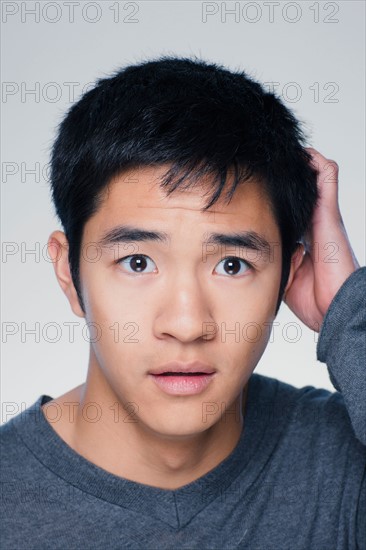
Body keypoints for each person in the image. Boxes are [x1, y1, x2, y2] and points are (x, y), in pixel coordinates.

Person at [1, 56, 365, 549]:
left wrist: (349, 317)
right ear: (69, 273)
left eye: (232, 265)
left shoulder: (343, 470)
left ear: (288, 277)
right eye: (136, 262)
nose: (188, 324)